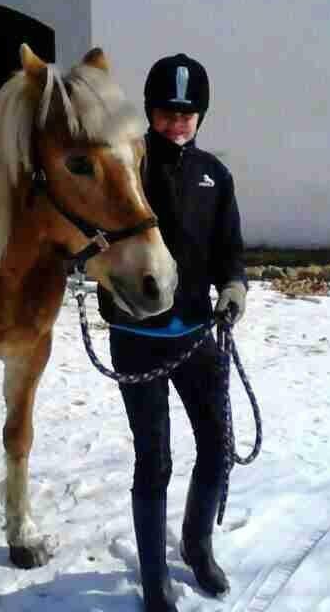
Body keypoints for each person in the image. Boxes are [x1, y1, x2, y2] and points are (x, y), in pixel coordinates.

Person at [98, 53, 247, 611]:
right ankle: (155, 574)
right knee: (154, 457)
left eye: (187, 113)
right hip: (138, 337)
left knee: (217, 443)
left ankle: (198, 543)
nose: (177, 122)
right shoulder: (127, 169)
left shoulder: (215, 175)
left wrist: (233, 287)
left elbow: (229, 248)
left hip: (196, 333)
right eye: (166, 111)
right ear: (150, 112)